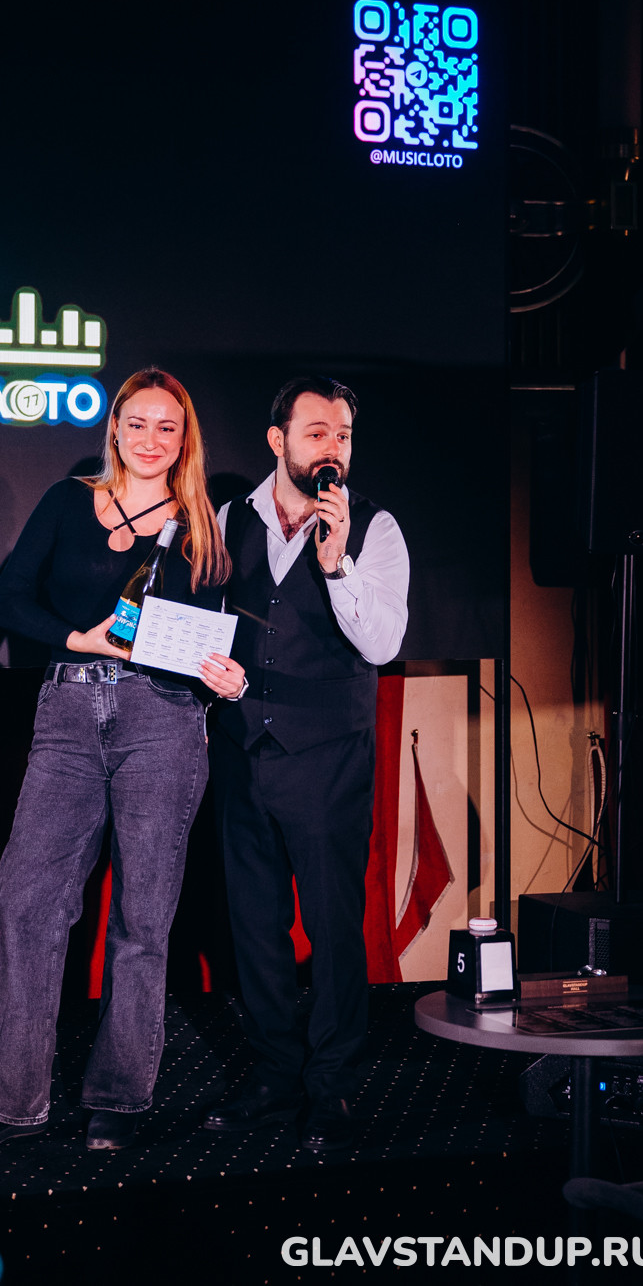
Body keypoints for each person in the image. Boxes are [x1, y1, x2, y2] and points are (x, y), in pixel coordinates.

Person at [0, 368, 245, 1154]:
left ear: (184, 441)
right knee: (26, 905)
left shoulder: (202, 526)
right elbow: (8, 604)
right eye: (138, 423)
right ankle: (12, 1102)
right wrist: (76, 638)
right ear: (114, 428)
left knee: (142, 920)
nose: (151, 439)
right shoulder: (65, 501)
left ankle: (118, 1097)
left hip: (163, 719)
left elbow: (210, 638)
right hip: (68, 713)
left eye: (167, 427)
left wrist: (227, 678)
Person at [204, 374, 409, 1152]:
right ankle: (274, 1077)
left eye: (343, 435)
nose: (333, 448)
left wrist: (336, 564)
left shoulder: (375, 528)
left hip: (328, 759)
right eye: (317, 432)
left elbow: (382, 645)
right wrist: (206, 671)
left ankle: (333, 1085)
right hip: (242, 752)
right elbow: (201, 621)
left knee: (331, 927)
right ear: (278, 440)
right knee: (255, 929)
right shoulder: (227, 518)